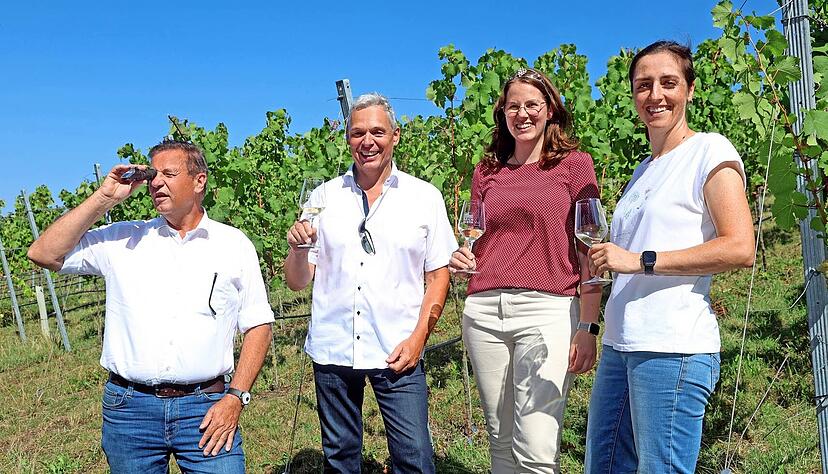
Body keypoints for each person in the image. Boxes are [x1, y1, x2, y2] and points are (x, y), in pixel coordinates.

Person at [28, 140, 274, 473]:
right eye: (153, 176)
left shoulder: (233, 244)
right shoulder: (121, 239)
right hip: (130, 411)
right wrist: (104, 198)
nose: (156, 183)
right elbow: (43, 253)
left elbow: (258, 325)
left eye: (169, 174)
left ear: (199, 181)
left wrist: (235, 397)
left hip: (206, 407)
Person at [584, 41, 755, 473]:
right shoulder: (644, 168)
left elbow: (740, 247)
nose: (655, 95)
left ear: (690, 90)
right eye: (644, 85)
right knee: (601, 466)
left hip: (672, 347)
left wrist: (640, 260)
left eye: (668, 83)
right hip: (621, 343)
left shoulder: (710, 151)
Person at [284, 93, 456, 473]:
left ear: (395, 136)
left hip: (398, 348)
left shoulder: (424, 197)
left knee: (415, 458)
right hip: (334, 347)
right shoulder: (322, 196)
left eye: (378, 131)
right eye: (358, 132)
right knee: (341, 458)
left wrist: (418, 341)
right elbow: (297, 282)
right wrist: (297, 250)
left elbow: (438, 275)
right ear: (347, 139)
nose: (368, 141)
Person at [448, 68, 602, 474]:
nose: (522, 113)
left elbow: (589, 249)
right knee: (500, 442)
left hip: (548, 309)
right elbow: (475, 237)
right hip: (482, 311)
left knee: (535, 447)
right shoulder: (487, 171)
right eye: (513, 106)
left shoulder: (574, 165)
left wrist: (588, 326)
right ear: (503, 113)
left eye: (532, 104)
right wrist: (462, 257)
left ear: (549, 109)